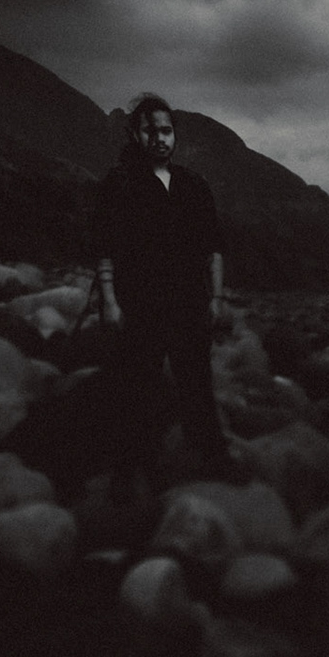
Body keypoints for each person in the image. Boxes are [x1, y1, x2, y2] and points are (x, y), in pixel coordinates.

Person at [86, 93, 232, 478]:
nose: (160, 138)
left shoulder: (193, 185)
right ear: (135, 134)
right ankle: (130, 470)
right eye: (151, 130)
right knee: (136, 387)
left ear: (175, 136)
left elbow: (213, 248)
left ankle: (214, 461)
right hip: (140, 302)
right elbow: (105, 248)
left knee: (197, 385)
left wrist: (216, 299)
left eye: (167, 131)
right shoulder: (120, 184)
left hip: (188, 302)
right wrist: (110, 302)